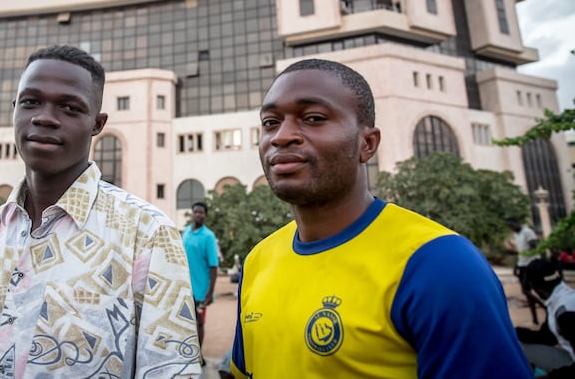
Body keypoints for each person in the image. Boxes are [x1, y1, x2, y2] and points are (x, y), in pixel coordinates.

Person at [231, 58, 531, 378]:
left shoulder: (439, 264)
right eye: (270, 122)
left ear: (368, 143)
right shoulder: (257, 261)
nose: (281, 136)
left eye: (313, 118)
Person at [0, 45, 201, 377]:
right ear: (14, 110)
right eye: (30, 102)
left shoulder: (147, 234)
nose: (43, 117)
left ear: (97, 124)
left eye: (69, 107)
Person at [515, 257, 575, 378]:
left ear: (536, 287)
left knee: (517, 348)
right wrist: (513, 332)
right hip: (570, 355)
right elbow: (548, 337)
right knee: (516, 342)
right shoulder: (559, 299)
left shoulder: (564, 314)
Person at [182, 201, 219, 358]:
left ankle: (197, 355)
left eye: (201, 212)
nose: (198, 214)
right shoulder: (186, 232)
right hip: (185, 288)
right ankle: (187, 352)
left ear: (205, 215)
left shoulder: (208, 236)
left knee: (199, 323)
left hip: (201, 290)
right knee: (185, 323)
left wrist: (209, 293)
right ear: (192, 213)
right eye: (195, 211)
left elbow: (213, 266)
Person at [508, 217, 542, 324]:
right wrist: (516, 267)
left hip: (532, 264)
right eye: (509, 226)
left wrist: (530, 246)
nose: (511, 228)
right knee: (526, 292)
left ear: (517, 223)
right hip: (522, 265)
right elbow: (520, 252)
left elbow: (534, 246)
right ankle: (535, 318)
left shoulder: (528, 232)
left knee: (536, 290)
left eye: (512, 225)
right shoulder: (516, 235)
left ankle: (545, 307)